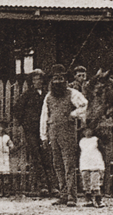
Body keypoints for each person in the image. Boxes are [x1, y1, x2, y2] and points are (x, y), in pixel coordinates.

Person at [40, 64, 87, 207]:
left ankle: (72, 196)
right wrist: (44, 136)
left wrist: (73, 114)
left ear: (65, 80)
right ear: (51, 81)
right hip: (53, 133)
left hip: (68, 133)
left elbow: (85, 105)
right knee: (58, 165)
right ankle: (63, 194)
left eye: (60, 78)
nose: (58, 81)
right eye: (55, 79)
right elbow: (44, 116)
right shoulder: (48, 96)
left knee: (69, 165)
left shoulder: (73, 93)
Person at [12, 69, 56, 196]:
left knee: (47, 155)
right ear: (32, 81)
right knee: (36, 156)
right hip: (31, 130)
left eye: (40, 79)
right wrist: (25, 123)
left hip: (45, 129)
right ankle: (42, 186)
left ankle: (53, 186)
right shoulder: (27, 95)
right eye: (35, 79)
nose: (38, 82)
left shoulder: (47, 95)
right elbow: (17, 110)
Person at [79, 127, 105, 208]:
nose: (87, 132)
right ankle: (88, 200)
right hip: (85, 163)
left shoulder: (96, 140)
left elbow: (102, 150)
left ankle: (98, 200)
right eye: (85, 130)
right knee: (86, 182)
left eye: (89, 130)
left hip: (95, 163)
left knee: (95, 183)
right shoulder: (82, 141)